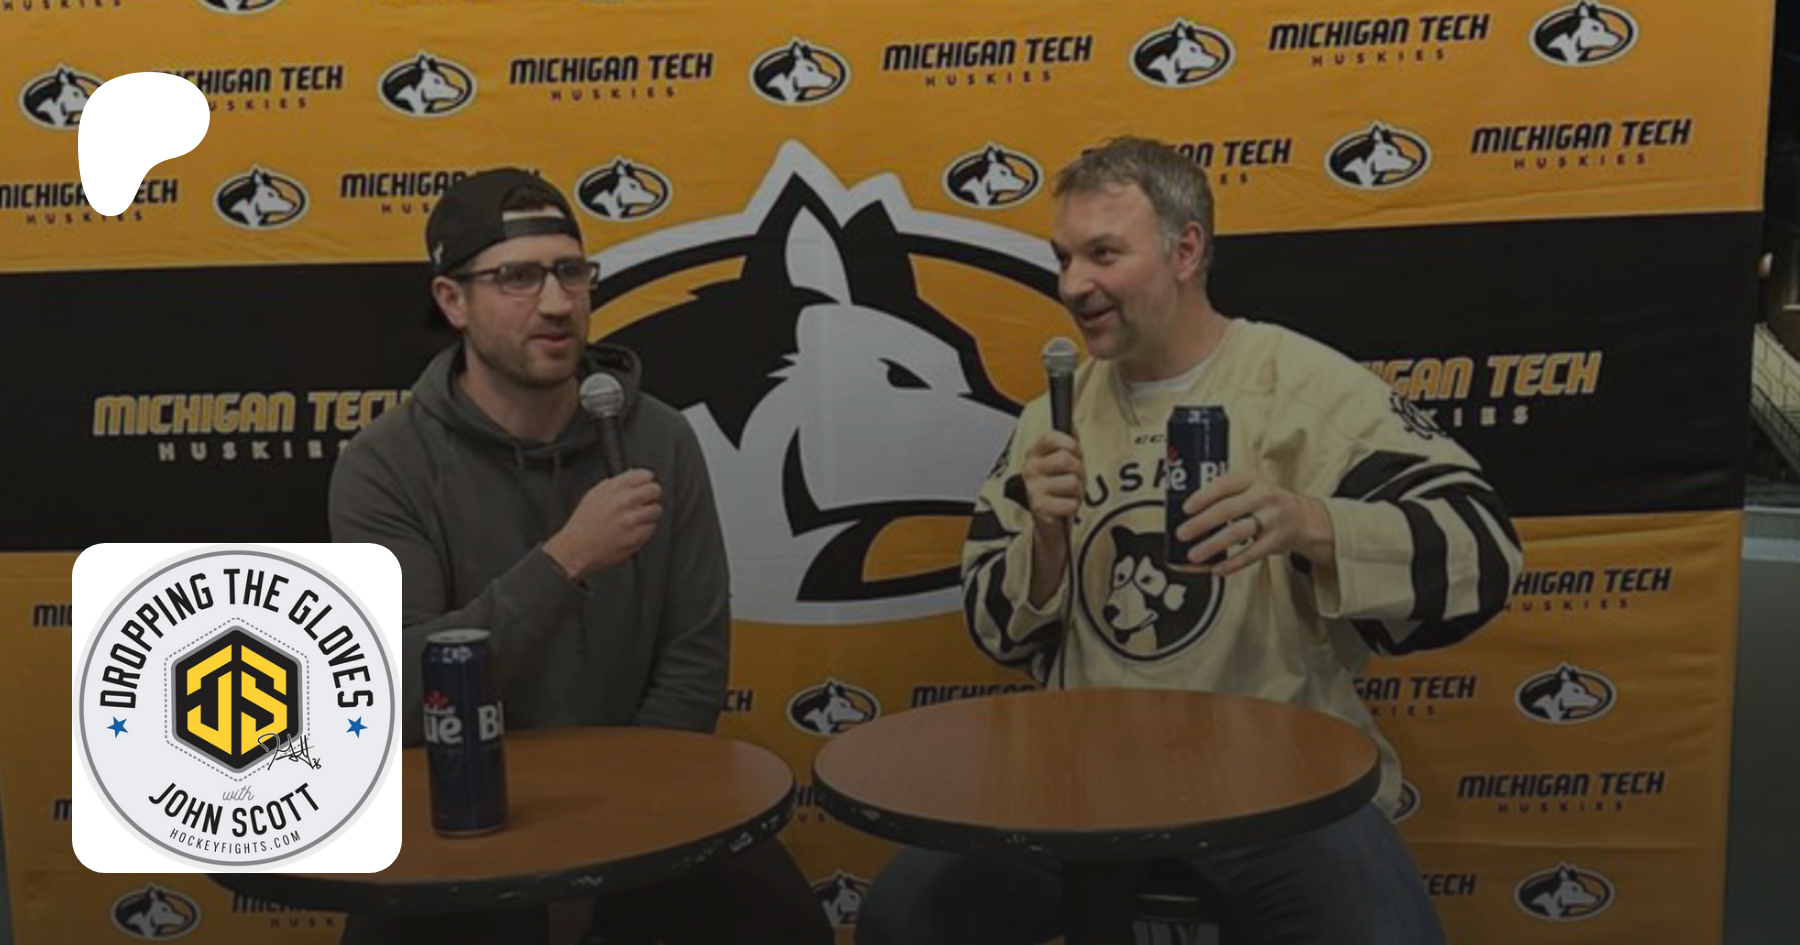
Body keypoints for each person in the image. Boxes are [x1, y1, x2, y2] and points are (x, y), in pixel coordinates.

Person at [856, 137, 1524, 945]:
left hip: (1278, 779)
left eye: (1104, 253)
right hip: (1084, 782)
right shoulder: (1051, 418)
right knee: (905, 913)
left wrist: (1308, 521)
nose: (1073, 284)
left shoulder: (1301, 386)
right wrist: (1046, 543)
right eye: (1064, 257)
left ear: (1186, 250)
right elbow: (996, 631)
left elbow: (1483, 549)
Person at [329, 168, 833, 945]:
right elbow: (398, 695)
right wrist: (564, 560)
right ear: (452, 301)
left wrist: (609, 850)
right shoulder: (385, 465)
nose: (558, 303)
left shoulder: (658, 437)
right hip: (459, 817)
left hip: (634, 807)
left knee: (780, 918)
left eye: (571, 272)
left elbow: (693, 666)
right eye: (517, 277)